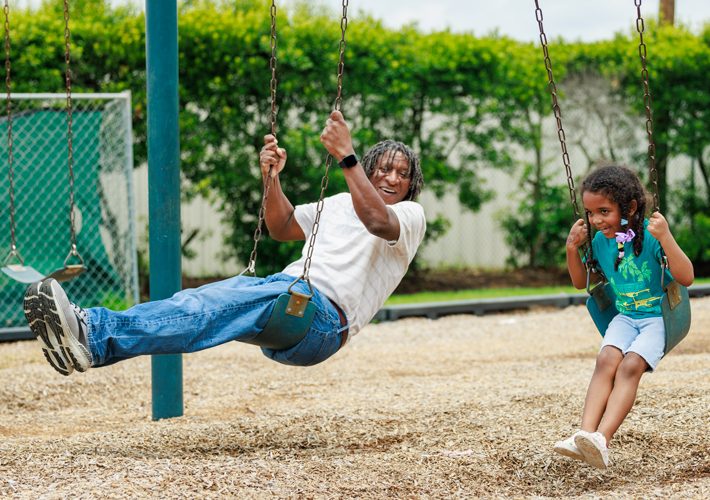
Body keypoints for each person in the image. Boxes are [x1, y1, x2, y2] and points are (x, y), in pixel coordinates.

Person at [23, 110, 426, 376]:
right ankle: (91, 343)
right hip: (289, 301)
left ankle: (92, 332)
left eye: (402, 174)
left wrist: (346, 155)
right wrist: (271, 178)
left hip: (321, 320)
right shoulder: (339, 203)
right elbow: (282, 225)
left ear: (412, 185)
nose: (392, 179)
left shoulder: (409, 216)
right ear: (371, 172)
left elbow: (376, 220)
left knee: (204, 306)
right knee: (199, 307)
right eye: (384, 169)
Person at [554, 165, 694, 470]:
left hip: (658, 318)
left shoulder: (652, 236)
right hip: (626, 316)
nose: (596, 220)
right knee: (605, 361)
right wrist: (571, 249)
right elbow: (582, 283)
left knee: (629, 366)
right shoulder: (601, 243)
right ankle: (583, 435)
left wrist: (667, 236)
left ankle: (601, 440)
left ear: (630, 207)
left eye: (604, 211)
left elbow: (687, 277)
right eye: (591, 213)